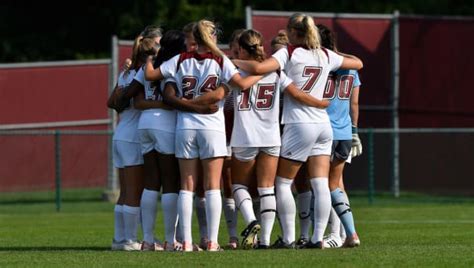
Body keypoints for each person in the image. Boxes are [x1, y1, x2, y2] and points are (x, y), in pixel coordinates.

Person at [233, 13, 363, 249]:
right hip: (324, 125)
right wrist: (333, 54)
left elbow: (261, 67)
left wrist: (231, 61)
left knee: (283, 183)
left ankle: (289, 238)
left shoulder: (290, 52)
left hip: (299, 123)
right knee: (320, 183)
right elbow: (358, 63)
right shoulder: (325, 54)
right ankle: (317, 239)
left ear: (293, 32)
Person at [144, 19, 262, 251]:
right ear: (212, 37)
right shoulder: (220, 60)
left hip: (185, 125)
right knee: (212, 186)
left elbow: (150, 76)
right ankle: (213, 241)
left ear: (193, 39)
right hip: (212, 126)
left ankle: (186, 242)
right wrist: (262, 72)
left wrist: (147, 56)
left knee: (187, 186)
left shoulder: (179, 59)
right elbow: (242, 84)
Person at [230, 29, 331, 250]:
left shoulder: (234, 69)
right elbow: (296, 93)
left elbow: (232, 90)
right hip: (271, 136)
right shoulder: (276, 72)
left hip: (245, 135)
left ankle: (251, 221)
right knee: (267, 189)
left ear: (242, 50)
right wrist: (320, 103)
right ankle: (264, 240)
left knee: (238, 186)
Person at [133, 30, 189, 251]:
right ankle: (169, 239)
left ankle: (147, 240)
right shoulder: (176, 63)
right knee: (170, 181)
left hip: (144, 123)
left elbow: (133, 92)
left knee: (151, 183)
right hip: (165, 124)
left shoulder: (151, 63)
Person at [317, 23, 361, 248]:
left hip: (323, 131)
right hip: (344, 132)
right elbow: (354, 103)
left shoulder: (318, 63)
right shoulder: (351, 67)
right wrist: (354, 131)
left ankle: (333, 235)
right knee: (336, 184)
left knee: (323, 185)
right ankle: (349, 234)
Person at [106, 33, 150, 251]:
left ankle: (119, 239)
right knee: (134, 192)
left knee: (124, 192)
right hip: (133, 137)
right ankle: (130, 240)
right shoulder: (142, 73)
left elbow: (111, 102)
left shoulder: (125, 73)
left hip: (120, 134)